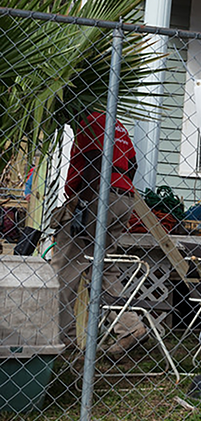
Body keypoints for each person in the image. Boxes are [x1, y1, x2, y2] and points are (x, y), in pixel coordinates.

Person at [51, 112, 146, 356]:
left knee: (64, 270)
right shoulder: (116, 123)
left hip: (95, 195)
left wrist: (82, 205)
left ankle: (65, 340)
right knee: (103, 267)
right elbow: (132, 164)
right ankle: (130, 327)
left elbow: (94, 157)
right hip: (122, 196)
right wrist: (117, 189)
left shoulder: (89, 119)